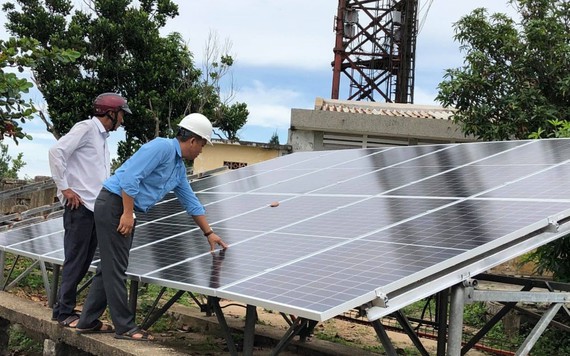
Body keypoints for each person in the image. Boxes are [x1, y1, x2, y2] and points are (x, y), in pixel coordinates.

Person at [75, 113, 228, 340]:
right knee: (116, 268)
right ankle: (125, 327)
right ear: (193, 140)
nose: (202, 150)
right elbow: (129, 178)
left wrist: (209, 233)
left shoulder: (178, 168)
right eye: (203, 144)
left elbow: (191, 202)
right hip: (115, 204)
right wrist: (127, 213)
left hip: (122, 206)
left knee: (110, 266)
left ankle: (87, 321)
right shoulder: (162, 148)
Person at [48, 93, 131, 328]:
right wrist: (65, 189)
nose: (122, 121)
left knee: (84, 261)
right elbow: (56, 152)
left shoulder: (101, 137)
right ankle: (63, 312)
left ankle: (65, 309)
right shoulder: (86, 128)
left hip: (95, 208)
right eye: (121, 115)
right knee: (76, 259)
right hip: (80, 207)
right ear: (110, 113)